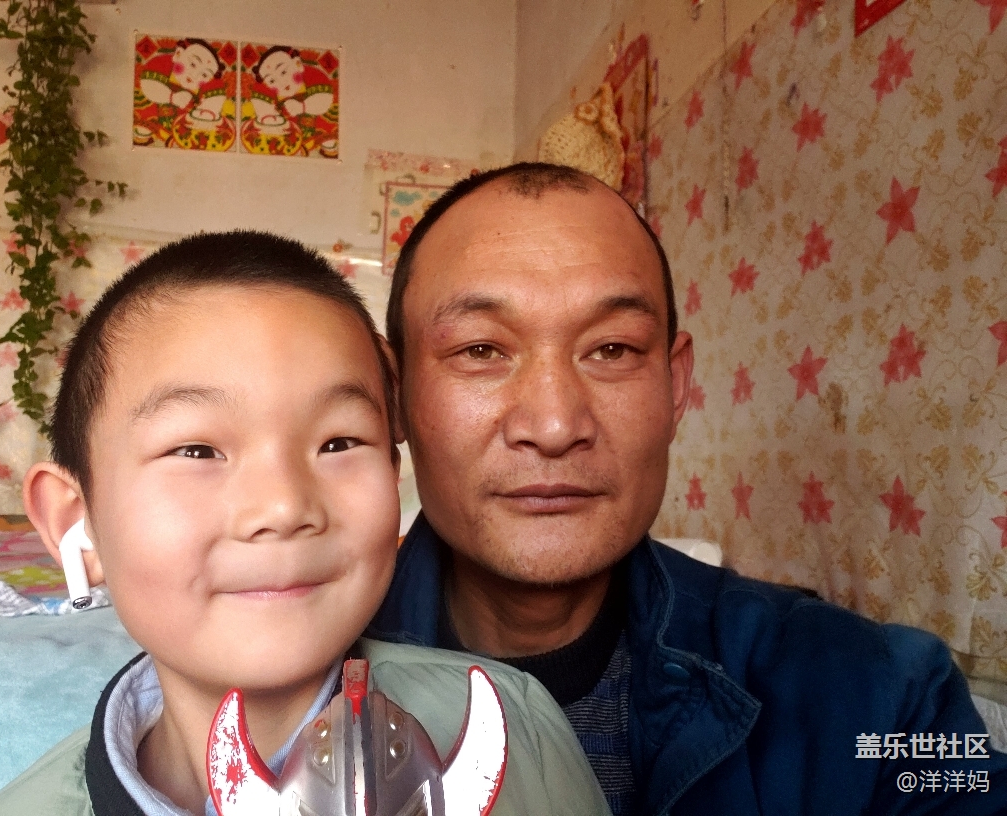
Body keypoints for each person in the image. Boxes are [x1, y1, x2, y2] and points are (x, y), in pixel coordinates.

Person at [366, 163, 1007, 815]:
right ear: (392, 394)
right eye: (480, 350)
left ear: (676, 386)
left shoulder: (883, 699)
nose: (555, 426)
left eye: (612, 350)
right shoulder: (307, 678)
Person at [0, 231, 610, 816]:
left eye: (339, 443)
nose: (283, 507)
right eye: (197, 451)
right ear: (75, 523)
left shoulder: (519, 726)